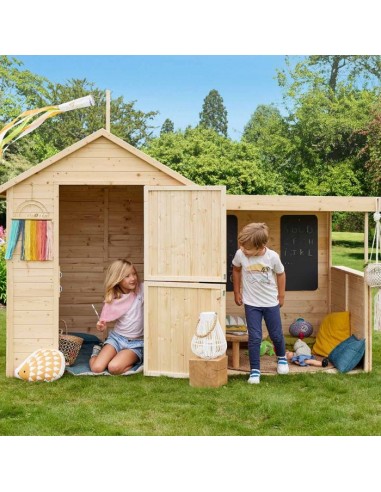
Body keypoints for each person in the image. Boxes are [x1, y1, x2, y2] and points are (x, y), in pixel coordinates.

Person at [232, 222, 289, 384]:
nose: (243, 250)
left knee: (276, 334)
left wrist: (282, 295)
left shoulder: (272, 257)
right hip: (251, 304)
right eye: (242, 247)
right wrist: (237, 292)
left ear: (261, 246)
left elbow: (281, 274)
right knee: (255, 337)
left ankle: (282, 358)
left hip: (271, 303)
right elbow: (236, 270)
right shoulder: (240, 254)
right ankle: (255, 371)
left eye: (247, 248)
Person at [89, 259, 144, 375]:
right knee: (96, 368)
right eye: (127, 276)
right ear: (118, 279)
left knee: (113, 368)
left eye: (134, 274)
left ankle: (129, 359)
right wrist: (101, 326)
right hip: (116, 339)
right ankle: (96, 352)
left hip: (136, 343)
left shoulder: (141, 291)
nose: (133, 278)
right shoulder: (114, 298)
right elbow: (103, 321)